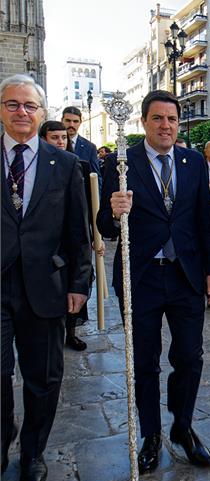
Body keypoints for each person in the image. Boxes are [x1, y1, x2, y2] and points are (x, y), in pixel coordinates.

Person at [97, 90, 210, 474]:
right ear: (143, 123)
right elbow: (103, 223)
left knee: (189, 356)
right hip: (141, 277)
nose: (165, 125)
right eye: (157, 119)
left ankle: (182, 426)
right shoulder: (121, 164)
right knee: (144, 362)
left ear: (177, 123)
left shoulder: (193, 162)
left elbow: (205, 220)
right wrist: (114, 213)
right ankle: (151, 434)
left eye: (171, 119)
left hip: (186, 276)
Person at [1, 75, 92, 481]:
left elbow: (79, 232)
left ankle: (33, 451)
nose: (21, 112)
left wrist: (79, 284)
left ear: (41, 112)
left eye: (29, 106)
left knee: (43, 376)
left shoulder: (65, 164)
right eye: (12, 104)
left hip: (46, 287)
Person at [39, 120, 105, 351]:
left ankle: (71, 331)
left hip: (73, 237)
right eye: (54, 137)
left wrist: (96, 237)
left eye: (63, 138)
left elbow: (88, 206)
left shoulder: (79, 165)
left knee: (76, 283)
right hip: (44, 242)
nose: (60, 142)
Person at [61, 106, 101, 181]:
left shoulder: (89, 147)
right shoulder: (52, 144)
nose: (71, 125)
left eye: (75, 121)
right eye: (68, 121)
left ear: (80, 123)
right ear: (62, 121)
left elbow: (95, 176)